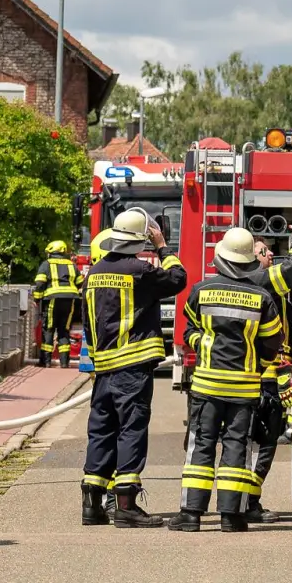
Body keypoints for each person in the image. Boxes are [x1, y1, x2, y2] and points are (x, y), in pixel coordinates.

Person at [170, 227, 284, 533]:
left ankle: (191, 514)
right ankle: (231, 517)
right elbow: (274, 342)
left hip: (206, 384)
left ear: (221, 257)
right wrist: (256, 362)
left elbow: (188, 329)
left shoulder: (201, 290)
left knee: (201, 446)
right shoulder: (262, 297)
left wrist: (203, 344)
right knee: (237, 447)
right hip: (244, 387)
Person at [78, 210, 187, 528]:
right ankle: (125, 505)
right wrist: (164, 247)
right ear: (140, 240)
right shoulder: (140, 271)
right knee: (130, 431)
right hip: (132, 369)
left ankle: (92, 506)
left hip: (104, 368)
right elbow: (178, 279)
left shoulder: (94, 272)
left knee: (101, 431)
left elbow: (87, 321)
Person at [243, 222, 292, 524]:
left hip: (273, 379)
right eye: (262, 251)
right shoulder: (258, 281)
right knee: (259, 443)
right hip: (261, 381)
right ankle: (248, 502)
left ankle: (248, 501)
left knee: (264, 443)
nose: (270, 255)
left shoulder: (274, 292)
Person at [32, 241, 82, 368]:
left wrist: (36, 299)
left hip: (52, 299)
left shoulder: (46, 264)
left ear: (50, 253)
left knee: (48, 329)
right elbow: (80, 282)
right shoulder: (72, 265)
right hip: (70, 300)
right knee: (64, 330)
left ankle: (45, 362)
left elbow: (40, 283)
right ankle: (64, 363)